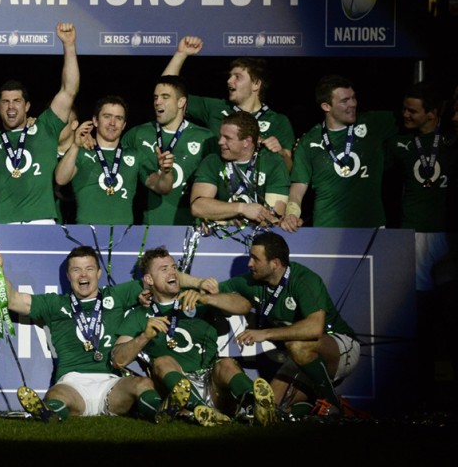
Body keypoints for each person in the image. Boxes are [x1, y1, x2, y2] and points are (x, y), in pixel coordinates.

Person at [0, 245, 167, 422]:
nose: (83, 275)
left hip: (111, 384)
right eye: (76, 270)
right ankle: (49, 414)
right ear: (68, 276)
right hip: (73, 384)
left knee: (142, 384)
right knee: (56, 394)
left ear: (98, 273)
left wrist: (195, 285)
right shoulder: (54, 303)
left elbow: (160, 281)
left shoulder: (117, 295)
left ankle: (162, 413)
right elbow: (13, 300)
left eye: (89, 269)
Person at [111, 246, 277, 426]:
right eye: (164, 269)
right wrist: (144, 337)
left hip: (213, 385)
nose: (172, 272)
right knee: (161, 361)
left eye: (174, 267)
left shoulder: (195, 298)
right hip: (175, 391)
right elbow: (117, 359)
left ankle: (257, 404)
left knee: (227, 363)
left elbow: (244, 306)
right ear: (149, 279)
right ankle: (198, 408)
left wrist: (207, 299)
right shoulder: (140, 314)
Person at [210, 231, 360, 417]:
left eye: (255, 259)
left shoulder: (304, 279)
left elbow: (314, 329)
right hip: (301, 356)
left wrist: (265, 334)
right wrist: (184, 282)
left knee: (297, 344)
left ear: (275, 263)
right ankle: (317, 410)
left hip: (340, 346)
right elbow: (214, 288)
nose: (249, 264)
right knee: (269, 409)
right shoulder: (255, 282)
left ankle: (333, 403)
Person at [0, 22, 79, 234]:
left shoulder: (45, 128)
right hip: (6, 226)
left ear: (27, 106)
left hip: (44, 223)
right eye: (5, 102)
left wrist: (69, 45)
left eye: (16, 101)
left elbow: (68, 90)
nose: (11, 106)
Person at [390, 82, 458, 395]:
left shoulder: (454, 144)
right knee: (420, 311)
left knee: (450, 309)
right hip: (413, 234)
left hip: (449, 235)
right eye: (404, 108)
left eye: (412, 110)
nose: (404, 114)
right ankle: (423, 382)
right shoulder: (399, 144)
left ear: (432, 114)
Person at [280, 75, 397, 231]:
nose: (353, 104)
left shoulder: (373, 123)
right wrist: (292, 214)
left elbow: (415, 118)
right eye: (344, 101)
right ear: (326, 106)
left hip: (371, 227)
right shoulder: (309, 142)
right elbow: (298, 187)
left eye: (353, 98)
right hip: (327, 228)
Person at [164, 35, 295, 169]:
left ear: (256, 84)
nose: (229, 81)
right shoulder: (216, 108)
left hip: (257, 188)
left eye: (237, 77)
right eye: (230, 76)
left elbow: (288, 168)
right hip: (218, 185)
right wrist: (181, 54)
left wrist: (280, 152)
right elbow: (168, 94)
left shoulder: (278, 121)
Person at [55, 95, 174, 226]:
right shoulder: (81, 151)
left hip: (123, 237)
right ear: (95, 121)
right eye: (107, 116)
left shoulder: (135, 155)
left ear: (124, 125)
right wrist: (75, 145)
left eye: (119, 118)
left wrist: (166, 172)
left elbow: (162, 188)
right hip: (86, 235)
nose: (112, 122)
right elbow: (60, 179)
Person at [120, 75, 215, 226]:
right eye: (156, 97)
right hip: (148, 227)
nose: (158, 102)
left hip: (192, 227)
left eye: (165, 97)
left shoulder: (205, 138)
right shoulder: (137, 135)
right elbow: (108, 157)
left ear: (181, 102)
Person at [190, 111, 289, 226]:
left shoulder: (273, 162)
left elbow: (272, 219)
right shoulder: (213, 161)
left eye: (227, 138)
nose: (220, 142)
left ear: (246, 141)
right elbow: (198, 207)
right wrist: (242, 208)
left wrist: (219, 221)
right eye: (221, 136)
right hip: (218, 240)